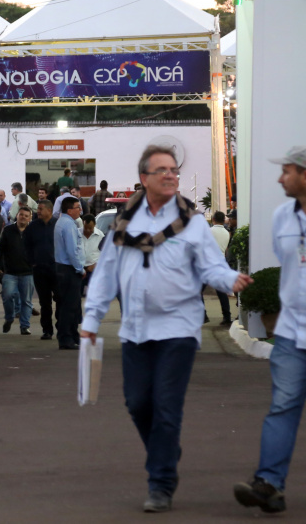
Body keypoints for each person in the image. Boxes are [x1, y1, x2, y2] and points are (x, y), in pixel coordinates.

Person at [80, 146, 249, 512]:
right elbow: (106, 274)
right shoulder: (124, 223)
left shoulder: (192, 223)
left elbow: (210, 267)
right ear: (144, 178)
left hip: (178, 328)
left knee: (167, 406)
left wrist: (230, 278)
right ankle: (166, 448)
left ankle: (161, 482)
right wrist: (91, 320)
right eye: (162, 170)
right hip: (136, 330)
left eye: (173, 169)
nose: (171, 175)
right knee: (138, 403)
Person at [233, 146, 306, 514]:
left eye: (286, 172)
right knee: (281, 408)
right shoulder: (283, 217)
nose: (280, 178)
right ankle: (268, 484)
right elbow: (289, 265)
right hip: (292, 335)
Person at [0, 206, 34, 335]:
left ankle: (25, 326)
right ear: (17, 215)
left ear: (30, 218)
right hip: (10, 272)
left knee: (26, 301)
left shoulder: (32, 232)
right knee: (7, 296)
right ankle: (9, 318)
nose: (23, 217)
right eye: (21, 215)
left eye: (26, 216)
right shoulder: (8, 230)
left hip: (28, 272)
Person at [55, 197, 85, 350]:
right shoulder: (68, 225)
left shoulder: (62, 222)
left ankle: (72, 335)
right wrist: (80, 268)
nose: (80, 210)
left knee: (69, 305)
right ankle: (66, 338)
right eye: (77, 207)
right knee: (69, 306)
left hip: (62, 268)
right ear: (69, 210)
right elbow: (72, 251)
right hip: (69, 270)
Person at [27, 200, 58, 341]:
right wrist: (32, 262)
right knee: (44, 303)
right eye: (37, 209)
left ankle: (61, 327)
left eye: (40, 209)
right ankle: (47, 330)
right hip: (39, 270)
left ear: (50, 210)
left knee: (61, 300)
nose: (37, 211)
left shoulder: (58, 225)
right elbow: (26, 246)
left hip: (57, 269)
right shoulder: (33, 227)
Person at [204, 211, 233, 326]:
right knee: (221, 293)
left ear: (213, 219)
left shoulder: (208, 231)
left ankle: (203, 315)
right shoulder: (226, 233)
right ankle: (227, 317)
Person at [80, 213, 105, 296]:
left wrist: (95, 265)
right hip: (79, 269)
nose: (87, 230)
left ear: (94, 224)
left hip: (93, 270)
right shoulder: (77, 233)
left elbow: (105, 254)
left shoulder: (100, 235)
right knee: (76, 295)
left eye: (90, 228)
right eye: (85, 228)